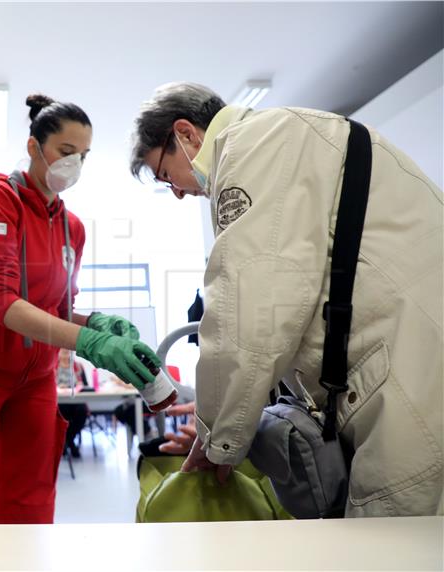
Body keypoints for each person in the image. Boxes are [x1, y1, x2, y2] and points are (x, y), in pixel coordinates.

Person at [129, 82, 443, 517]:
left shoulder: (253, 144)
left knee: (392, 546)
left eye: (166, 176)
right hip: (411, 360)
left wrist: (213, 436)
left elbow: (249, 306)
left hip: (411, 379)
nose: (178, 192)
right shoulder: (297, 135)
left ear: (186, 134)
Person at [0, 94, 160, 524]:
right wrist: (89, 342)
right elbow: (0, 302)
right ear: (34, 147)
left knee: (30, 508)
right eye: (66, 152)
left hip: (33, 381)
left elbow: (56, 309)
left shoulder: (73, 229)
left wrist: (95, 322)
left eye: (83, 156)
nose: (75, 165)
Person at [55, 349, 89, 458]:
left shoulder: (78, 367)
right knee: (61, 411)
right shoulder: (53, 366)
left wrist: (79, 385)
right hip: (59, 401)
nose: (65, 350)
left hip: (76, 400)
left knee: (82, 411)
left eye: (67, 349)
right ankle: (70, 443)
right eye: (62, 349)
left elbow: (86, 386)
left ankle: (68, 440)